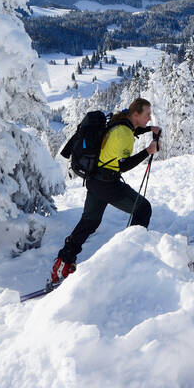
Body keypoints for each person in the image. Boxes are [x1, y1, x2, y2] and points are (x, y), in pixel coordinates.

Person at [51, 98, 161, 284]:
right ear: (135, 114)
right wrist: (148, 151)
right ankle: (130, 258)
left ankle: (63, 264)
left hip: (94, 180)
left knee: (89, 222)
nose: (150, 118)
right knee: (143, 208)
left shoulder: (120, 120)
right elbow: (122, 166)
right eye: (147, 115)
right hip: (108, 183)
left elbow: (133, 129)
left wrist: (150, 130)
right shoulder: (124, 134)